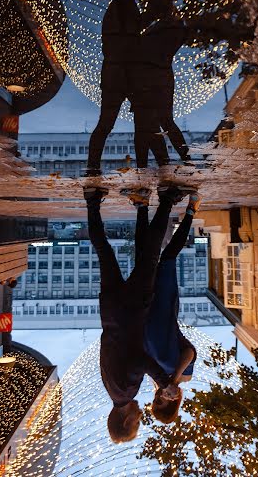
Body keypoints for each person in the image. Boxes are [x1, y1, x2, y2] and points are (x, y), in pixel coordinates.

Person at [83, 183, 192, 442]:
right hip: (110, 311)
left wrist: (165, 383)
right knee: (104, 252)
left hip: (131, 310)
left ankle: (167, 199)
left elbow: (139, 361)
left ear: (126, 420)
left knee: (150, 256)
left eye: (137, 422)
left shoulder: (125, 391)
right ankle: (92, 201)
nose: (141, 416)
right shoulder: (112, 389)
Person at [87, 0, 169, 173]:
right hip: (125, 74)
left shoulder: (120, 7)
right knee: (145, 122)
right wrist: (153, 13)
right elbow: (132, 35)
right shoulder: (123, 7)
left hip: (117, 74)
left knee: (110, 124)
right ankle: (164, 165)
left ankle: (93, 167)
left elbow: (130, 34)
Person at [144, 191, 201, 423]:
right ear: (172, 401)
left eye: (154, 400)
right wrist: (174, 380)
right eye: (161, 401)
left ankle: (156, 206)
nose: (157, 397)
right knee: (168, 258)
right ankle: (190, 211)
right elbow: (190, 352)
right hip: (165, 307)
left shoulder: (152, 376)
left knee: (149, 257)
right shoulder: (184, 377)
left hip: (146, 306)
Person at [132, 0, 190, 166]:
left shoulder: (170, 26)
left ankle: (182, 160)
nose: (148, 7)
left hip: (153, 79)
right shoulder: (165, 24)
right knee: (151, 125)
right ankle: (174, 162)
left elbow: (151, 51)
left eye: (151, 3)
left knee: (156, 123)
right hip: (152, 78)